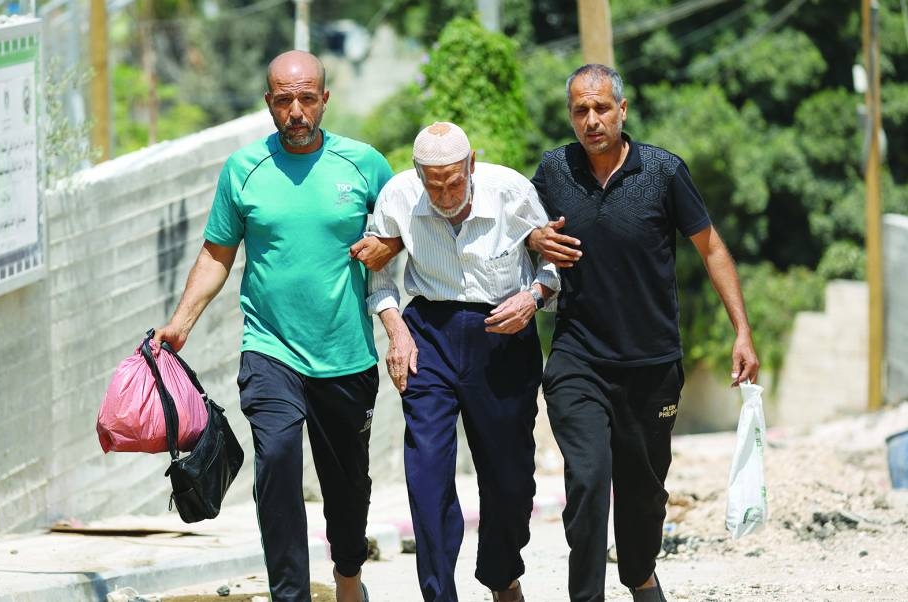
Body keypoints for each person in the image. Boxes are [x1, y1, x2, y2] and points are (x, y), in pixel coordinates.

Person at [154, 50, 399, 602]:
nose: (296, 111)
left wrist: (391, 245)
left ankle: (348, 578)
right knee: (278, 464)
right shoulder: (244, 169)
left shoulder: (364, 164)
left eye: (307, 98)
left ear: (324, 100)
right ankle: (290, 595)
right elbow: (217, 254)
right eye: (284, 100)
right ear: (269, 102)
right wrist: (180, 323)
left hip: (345, 355)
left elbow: (404, 229)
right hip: (270, 351)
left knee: (347, 489)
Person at [526, 63, 760, 602]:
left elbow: (711, 249)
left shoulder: (663, 172)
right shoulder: (554, 170)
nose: (591, 120)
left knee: (643, 496)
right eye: (580, 110)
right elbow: (519, 227)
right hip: (578, 358)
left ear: (622, 110)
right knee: (588, 482)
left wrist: (742, 332)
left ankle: (640, 577)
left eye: (601, 108)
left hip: (652, 366)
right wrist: (535, 237)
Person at [361, 121, 560, 602]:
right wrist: (397, 331)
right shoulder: (398, 197)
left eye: (454, 181)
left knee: (511, 480)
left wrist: (533, 296)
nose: (445, 195)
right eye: (434, 185)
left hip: (504, 332)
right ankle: (439, 594)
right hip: (429, 334)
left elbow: (553, 261)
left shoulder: (511, 191)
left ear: (471, 165)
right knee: (426, 475)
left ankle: (501, 575)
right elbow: (379, 278)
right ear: (418, 174)